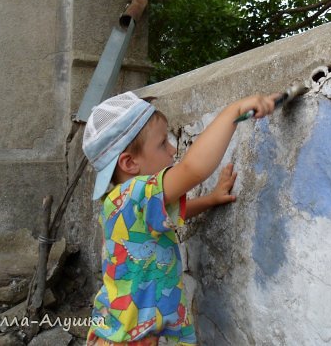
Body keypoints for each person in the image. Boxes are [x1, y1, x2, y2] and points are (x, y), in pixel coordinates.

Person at [82, 91, 278, 345]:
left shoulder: (124, 201)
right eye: (163, 143)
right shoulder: (133, 193)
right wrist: (235, 109)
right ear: (129, 163)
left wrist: (211, 200)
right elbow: (192, 168)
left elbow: (167, 216)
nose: (173, 149)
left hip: (126, 331)